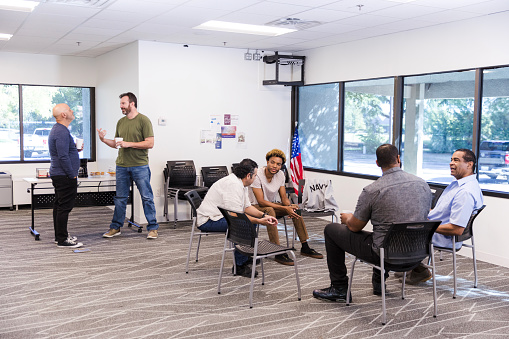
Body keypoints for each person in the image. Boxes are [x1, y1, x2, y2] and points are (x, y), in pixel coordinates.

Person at [313, 144, 432, 302]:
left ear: (377, 163)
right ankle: (378, 283)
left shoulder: (373, 190)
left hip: (385, 256)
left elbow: (356, 226)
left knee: (331, 230)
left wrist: (348, 217)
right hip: (418, 255)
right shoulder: (423, 185)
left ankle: (339, 288)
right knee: (383, 235)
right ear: (398, 159)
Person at [400, 148, 484, 284]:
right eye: (451, 160)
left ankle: (415, 268)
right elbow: (441, 211)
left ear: (470, 164)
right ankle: (410, 266)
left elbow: (456, 229)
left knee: (398, 229)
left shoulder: (465, 193)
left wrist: (426, 226)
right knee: (405, 215)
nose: (451, 163)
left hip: (443, 236)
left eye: (456, 160)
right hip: (435, 225)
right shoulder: (459, 184)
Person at [197, 158, 278, 278]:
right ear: (248, 175)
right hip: (208, 220)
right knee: (243, 225)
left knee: (251, 223)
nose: (255, 178)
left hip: (220, 216)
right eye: (255, 175)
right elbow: (236, 216)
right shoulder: (233, 184)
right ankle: (239, 265)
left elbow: (247, 207)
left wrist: (264, 216)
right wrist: (258, 221)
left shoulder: (242, 183)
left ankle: (245, 256)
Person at [97, 92, 159, 239]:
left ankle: (153, 228)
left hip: (140, 166)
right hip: (122, 166)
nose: (121, 106)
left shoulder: (144, 120)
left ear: (132, 104)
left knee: (146, 197)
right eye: (120, 104)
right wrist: (104, 140)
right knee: (120, 198)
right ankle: (116, 227)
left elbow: (150, 143)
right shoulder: (121, 122)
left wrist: (128, 143)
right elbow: (117, 144)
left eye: (123, 104)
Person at [250, 149, 323, 266]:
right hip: (254, 207)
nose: (275, 166)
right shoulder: (257, 175)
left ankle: (305, 246)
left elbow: (283, 197)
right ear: (267, 162)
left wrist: (289, 206)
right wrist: (285, 209)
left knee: (295, 210)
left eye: (278, 164)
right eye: (272, 162)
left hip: (271, 205)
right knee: (270, 210)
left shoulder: (281, 175)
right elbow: (261, 201)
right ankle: (277, 252)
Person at [49, 103, 84, 248]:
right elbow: (63, 157)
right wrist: (72, 175)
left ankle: (60, 236)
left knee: (59, 206)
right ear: (64, 115)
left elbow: (63, 152)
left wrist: (75, 149)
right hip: (65, 175)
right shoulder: (61, 131)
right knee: (64, 207)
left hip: (60, 174)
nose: (72, 111)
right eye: (69, 110)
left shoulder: (59, 130)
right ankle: (62, 240)